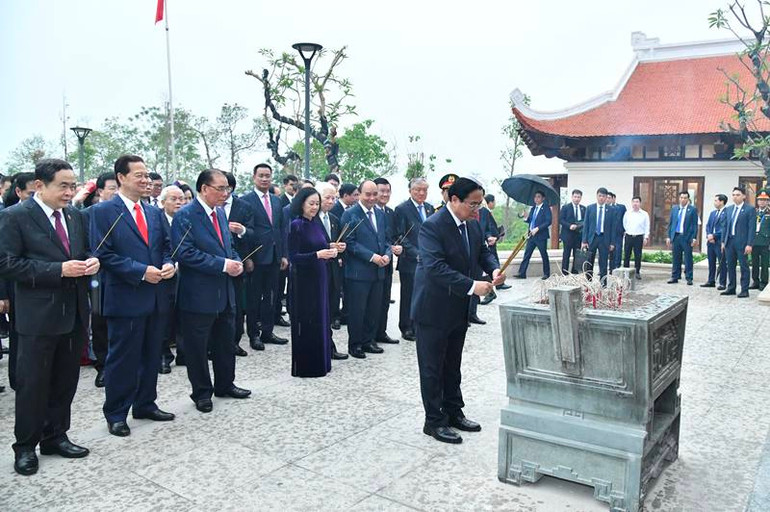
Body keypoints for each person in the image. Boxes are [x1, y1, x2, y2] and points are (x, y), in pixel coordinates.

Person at [0, 158, 100, 475]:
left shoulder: (74, 216)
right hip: (37, 317)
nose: (70, 192)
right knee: (33, 385)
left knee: (65, 381)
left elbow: (79, 253)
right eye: (63, 186)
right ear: (40, 186)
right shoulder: (15, 217)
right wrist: (58, 270)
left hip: (73, 313)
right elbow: (7, 264)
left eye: (73, 185)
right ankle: (25, 446)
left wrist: (89, 262)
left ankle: (56, 436)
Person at [413, 177, 504, 444]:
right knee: (432, 368)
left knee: (452, 364)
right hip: (433, 308)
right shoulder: (432, 226)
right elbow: (435, 268)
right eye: (472, 204)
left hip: (457, 308)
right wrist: (472, 285)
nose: (477, 210)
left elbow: (483, 253)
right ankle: (434, 421)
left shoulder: (472, 225)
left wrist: (494, 268)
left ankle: (454, 411)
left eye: (479, 204)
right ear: (454, 200)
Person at [90, 155, 177, 437]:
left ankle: (145, 403)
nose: (146, 180)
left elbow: (166, 246)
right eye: (138, 175)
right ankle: (116, 412)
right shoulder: (103, 212)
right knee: (123, 358)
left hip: (155, 295)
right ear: (121, 178)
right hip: (125, 296)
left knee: (152, 353)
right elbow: (102, 254)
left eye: (148, 176)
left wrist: (167, 264)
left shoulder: (153, 212)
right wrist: (141, 271)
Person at [172, 169, 251, 413]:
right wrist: (222, 265)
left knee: (225, 342)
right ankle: (202, 392)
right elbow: (184, 253)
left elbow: (228, 247)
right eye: (221, 189)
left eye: (228, 189)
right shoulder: (186, 216)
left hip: (225, 291)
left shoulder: (219, 214)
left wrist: (235, 261)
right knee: (197, 347)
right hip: (198, 294)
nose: (226, 194)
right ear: (204, 189)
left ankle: (225, 384)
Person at [287, 188, 337, 377]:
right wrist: (317, 255)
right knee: (308, 321)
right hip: (304, 281)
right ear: (301, 204)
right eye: (311, 204)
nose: (315, 207)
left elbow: (320, 245)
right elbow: (294, 256)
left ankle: (322, 362)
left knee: (321, 320)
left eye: (317, 203)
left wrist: (331, 248)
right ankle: (307, 365)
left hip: (320, 277)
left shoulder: (316, 224)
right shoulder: (296, 225)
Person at [341, 180, 392, 359]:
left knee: (373, 308)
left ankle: (369, 341)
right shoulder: (350, 214)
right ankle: (355, 344)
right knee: (357, 310)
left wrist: (387, 254)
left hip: (379, 271)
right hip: (358, 272)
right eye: (367, 194)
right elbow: (349, 242)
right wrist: (372, 257)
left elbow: (386, 239)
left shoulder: (381, 214)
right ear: (359, 194)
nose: (371, 198)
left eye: (374, 194)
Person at [241, 163, 288, 351]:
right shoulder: (246, 201)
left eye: (267, 175)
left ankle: (268, 332)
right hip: (256, 257)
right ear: (254, 177)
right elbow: (245, 232)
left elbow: (281, 229)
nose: (264, 179)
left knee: (272, 297)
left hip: (275, 257)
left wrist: (284, 254)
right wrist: (247, 257)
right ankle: (254, 334)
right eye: (261, 175)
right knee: (254, 299)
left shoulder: (277, 201)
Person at [85, 172, 119, 387]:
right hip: (98, 276)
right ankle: (103, 366)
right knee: (100, 322)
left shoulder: (127, 213)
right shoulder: (88, 214)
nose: (115, 192)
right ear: (100, 191)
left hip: (125, 276)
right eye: (111, 188)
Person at [394, 177, 435, 341]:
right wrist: (416, 253)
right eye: (418, 189)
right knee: (409, 295)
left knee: (425, 294)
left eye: (424, 189)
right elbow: (399, 236)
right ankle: (406, 327)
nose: (421, 193)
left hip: (429, 261)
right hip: (410, 261)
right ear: (410, 190)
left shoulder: (431, 208)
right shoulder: (402, 209)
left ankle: (420, 324)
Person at [222, 172, 255, 358]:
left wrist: (241, 230)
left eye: (226, 188)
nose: (223, 192)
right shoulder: (210, 207)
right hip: (216, 264)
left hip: (238, 261)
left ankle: (234, 341)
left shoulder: (244, 207)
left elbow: (253, 233)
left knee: (236, 305)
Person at [316, 182, 349, 360]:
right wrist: (328, 246)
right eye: (327, 197)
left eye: (333, 198)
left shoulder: (335, 219)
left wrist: (340, 246)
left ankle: (329, 345)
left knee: (329, 309)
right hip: (317, 271)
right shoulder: (310, 219)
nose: (331, 201)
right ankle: (322, 346)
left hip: (333, 271)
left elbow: (338, 241)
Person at [158, 185, 185, 372]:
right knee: (164, 318)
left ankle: (184, 353)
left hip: (188, 276)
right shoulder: (156, 220)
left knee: (185, 316)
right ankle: (163, 355)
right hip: (164, 275)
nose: (178, 203)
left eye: (181, 199)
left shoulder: (188, 219)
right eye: (173, 199)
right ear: (162, 202)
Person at [373, 178, 402, 345]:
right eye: (381, 191)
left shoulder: (391, 213)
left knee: (385, 299)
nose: (384, 194)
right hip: (372, 263)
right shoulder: (367, 212)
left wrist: (397, 247)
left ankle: (381, 332)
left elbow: (395, 236)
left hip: (387, 262)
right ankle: (370, 335)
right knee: (373, 302)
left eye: (387, 191)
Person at [721, 186, 756, 298]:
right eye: (733, 195)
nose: (735, 197)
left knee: (743, 266)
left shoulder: (749, 209)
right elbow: (725, 226)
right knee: (730, 265)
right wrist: (723, 241)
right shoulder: (729, 209)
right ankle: (731, 288)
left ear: (744, 196)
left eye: (738, 195)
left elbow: (752, 228)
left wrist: (749, 244)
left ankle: (744, 290)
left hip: (742, 242)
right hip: (729, 242)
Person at [582, 187, 617, 282]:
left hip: (604, 239)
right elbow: (586, 225)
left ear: (606, 198)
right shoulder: (590, 208)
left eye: (603, 196)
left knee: (603, 262)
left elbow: (613, 228)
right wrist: (584, 240)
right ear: (597, 196)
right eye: (600, 196)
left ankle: (603, 283)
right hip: (592, 238)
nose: (601, 198)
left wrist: (612, 243)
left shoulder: (611, 210)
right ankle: (588, 282)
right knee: (589, 261)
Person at [515, 191, 551, 279]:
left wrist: (538, 228)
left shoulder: (546, 208)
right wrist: (525, 217)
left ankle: (546, 273)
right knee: (527, 254)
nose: (536, 199)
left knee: (543, 254)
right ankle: (522, 273)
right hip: (531, 235)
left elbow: (548, 221)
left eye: (539, 197)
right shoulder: (533, 208)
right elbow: (530, 220)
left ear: (543, 198)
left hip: (541, 235)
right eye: (535, 197)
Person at [666, 191, 698, 286]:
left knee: (688, 258)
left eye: (685, 198)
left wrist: (694, 238)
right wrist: (669, 236)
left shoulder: (692, 210)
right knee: (676, 257)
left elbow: (694, 225)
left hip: (686, 237)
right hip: (676, 236)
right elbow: (671, 223)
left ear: (688, 199)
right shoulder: (675, 209)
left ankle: (689, 277)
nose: (683, 199)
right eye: (681, 197)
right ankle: (675, 276)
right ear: (679, 198)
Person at [702, 194, 729, 289]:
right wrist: (709, 235)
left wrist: (713, 236)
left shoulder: (727, 213)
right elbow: (708, 226)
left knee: (721, 263)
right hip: (710, 242)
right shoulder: (713, 213)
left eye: (716, 200)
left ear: (722, 202)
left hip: (719, 242)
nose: (714, 202)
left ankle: (722, 283)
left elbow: (724, 228)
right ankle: (711, 281)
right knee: (711, 262)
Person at [559, 189, 586, 274]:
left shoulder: (583, 208)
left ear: (581, 198)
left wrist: (579, 226)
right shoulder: (566, 207)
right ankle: (565, 273)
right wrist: (569, 226)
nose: (577, 199)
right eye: (575, 197)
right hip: (567, 235)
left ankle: (574, 273)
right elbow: (561, 220)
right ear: (572, 197)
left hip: (578, 235)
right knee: (566, 255)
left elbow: (586, 221)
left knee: (577, 255)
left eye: (578, 197)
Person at [622, 196, 649, 279]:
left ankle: (637, 272)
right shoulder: (628, 213)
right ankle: (626, 271)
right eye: (634, 202)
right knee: (627, 255)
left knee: (638, 255)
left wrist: (646, 237)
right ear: (631, 203)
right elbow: (624, 224)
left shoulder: (644, 214)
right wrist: (627, 232)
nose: (635, 204)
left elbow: (647, 226)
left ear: (640, 203)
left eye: (637, 202)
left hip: (639, 237)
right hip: (629, 236)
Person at [751, 189, 770, 290]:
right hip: (754, 241)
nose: (762, 202)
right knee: (755, 263)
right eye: (760, 200)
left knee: (764, 264)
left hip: (765, 242)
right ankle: (755, 281)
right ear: (757, 201)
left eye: (764, 200)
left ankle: (764, 282)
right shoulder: (754, 212)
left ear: (768, 201)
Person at [607, 192, 626, 272]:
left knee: (617, 251)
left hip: (618, 233)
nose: (607, 199)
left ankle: (616, 267)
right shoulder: (603, 208)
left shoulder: (620, 208)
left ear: (613, 199)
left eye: (609, 198)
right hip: (606, 234)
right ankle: (607, 268)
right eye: (606, 197)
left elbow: (625, 219)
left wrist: (624, 230)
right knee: (606, 251)